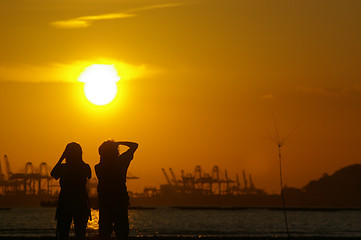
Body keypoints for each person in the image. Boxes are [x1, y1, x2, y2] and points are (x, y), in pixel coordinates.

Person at [95, 140, 138, 240]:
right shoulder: (122, 161)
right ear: (115, 151)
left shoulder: (98, 167)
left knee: (104, 233)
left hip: (105, 202)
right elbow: (135, 146)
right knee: (122, 232)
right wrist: (119, 142)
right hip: (120, 200)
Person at [51, 142, 91, 240]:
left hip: (65, 203)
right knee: (80, 234)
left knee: (63, 233)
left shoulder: (63, 168)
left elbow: (53, 173)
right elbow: (89, 175)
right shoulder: (85, 167)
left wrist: (61, 157)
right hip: (81, 203)